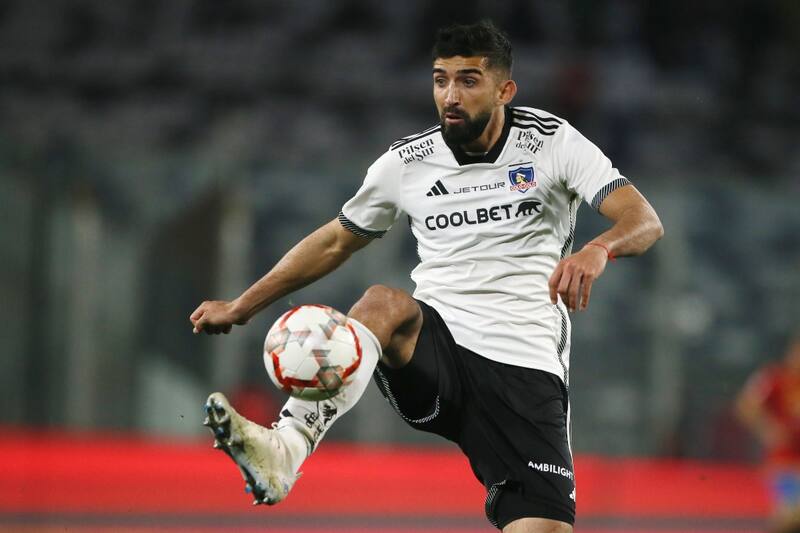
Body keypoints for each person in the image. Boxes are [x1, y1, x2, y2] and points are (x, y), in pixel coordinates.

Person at [190, 20, 663, 533]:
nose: (450, 96)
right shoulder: (406, 162)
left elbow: (644, 221)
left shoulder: (553, 142)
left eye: (468, 80)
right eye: (440, 80)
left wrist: (597, 250)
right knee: (381, 303)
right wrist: (242, 305)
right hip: (436, 348)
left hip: (523, 365)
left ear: (505, 89)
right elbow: (334, 240)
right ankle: (287, 447)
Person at [737, 337, 800, 533]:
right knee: (790, 514)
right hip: (785, 464)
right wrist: (768, 430)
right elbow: (746, 405)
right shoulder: (774, 378)